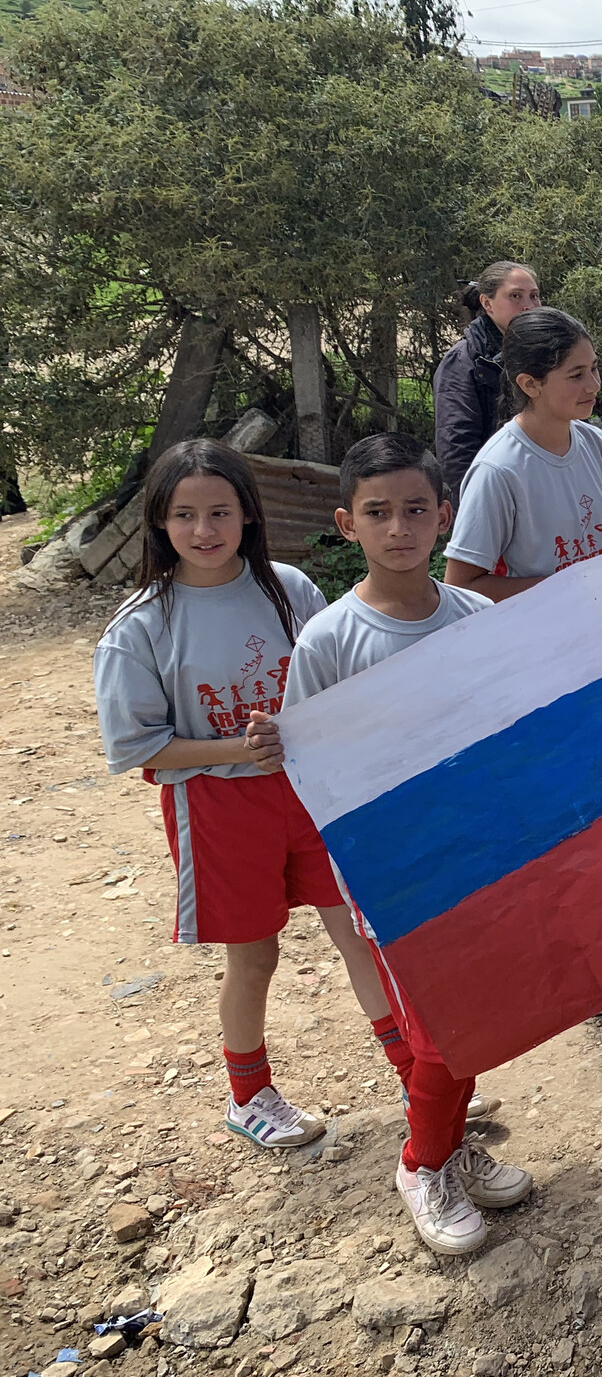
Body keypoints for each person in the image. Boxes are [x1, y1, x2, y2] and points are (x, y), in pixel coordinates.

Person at [92, 440, 393, 1150]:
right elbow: (135, 745)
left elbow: (333, 687)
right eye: (185, 514)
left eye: (219, 511)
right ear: (159, 523)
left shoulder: (290, 590)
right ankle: (249, 1094)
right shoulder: (141, 625)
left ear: (248, 515)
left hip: (314, 795)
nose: (204, 530)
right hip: (220, 809)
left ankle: (418, 1072)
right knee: (255, 955)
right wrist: (238, 749)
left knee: (360, 934)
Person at [280, 433, 530, 1254]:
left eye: (415, 510)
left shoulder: (479, 616)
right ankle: (423, 1161)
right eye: (378, 513)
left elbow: (508, 723)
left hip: (478, 851)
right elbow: (312, 766)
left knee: (480, 1007)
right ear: (347, 524)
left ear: (443, 517)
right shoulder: (329, 639)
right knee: (435, 1027)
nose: (399, 529)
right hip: (394, 868)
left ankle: (451, 1146)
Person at [443, 307, 602, 601]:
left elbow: (599, 537)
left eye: (594, 368)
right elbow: (463, 586)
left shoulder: (596, 443)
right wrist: (566, 586)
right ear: (530, 384)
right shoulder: (498, 470)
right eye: (576, 375)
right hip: (540, 637)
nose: (594, 385)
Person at [434, 261, 542, 501]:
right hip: (494, 498)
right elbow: (456, 448)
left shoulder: (548, 353)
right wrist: (475, 510)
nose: (528, 306)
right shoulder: (464, 362)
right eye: (516, 296)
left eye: (534, 296)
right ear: (487, 303)